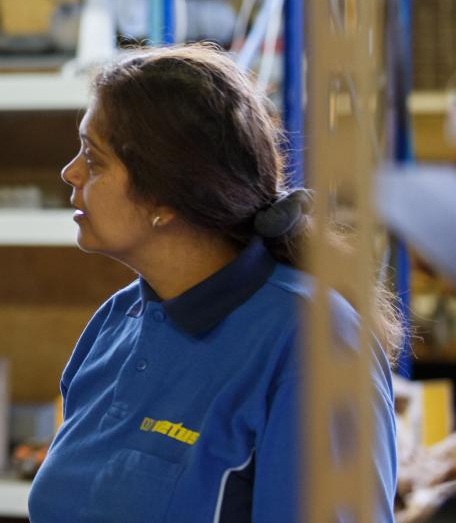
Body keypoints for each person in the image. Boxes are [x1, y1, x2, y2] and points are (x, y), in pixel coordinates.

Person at [28, 45, 400, 521]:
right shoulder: (116, 323)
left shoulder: (315, 341)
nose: (70, 172)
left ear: (166, 194)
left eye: (94, 160)